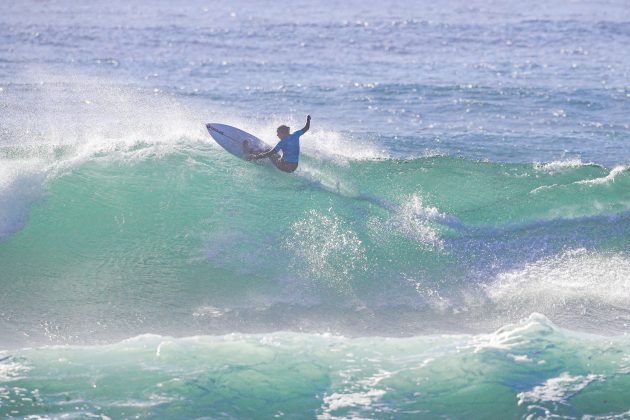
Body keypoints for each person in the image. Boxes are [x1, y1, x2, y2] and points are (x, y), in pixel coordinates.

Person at [246, 115, 311, 173]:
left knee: (267, 150)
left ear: (283, 133)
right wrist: (308, 120)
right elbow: (306, 128)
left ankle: (251, 153)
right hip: (294, 167)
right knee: (278, 156)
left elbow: (270, 153)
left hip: (285, 166)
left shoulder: (282, 142)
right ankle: (257, 155)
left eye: (278, 133)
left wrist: (256, 157)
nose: (277, 135)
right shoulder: (296, 135)